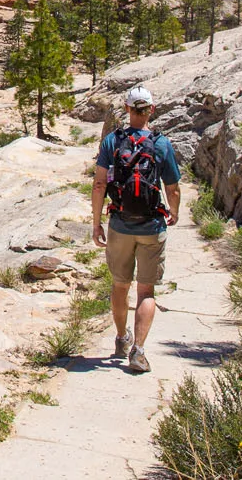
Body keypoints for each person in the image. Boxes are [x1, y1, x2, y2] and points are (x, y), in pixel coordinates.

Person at [90, 84, 182, 374]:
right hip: (151, 224)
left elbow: (99, 184)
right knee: (146, 291)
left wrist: (96, 223)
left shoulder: (112, 142)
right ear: (151, 110)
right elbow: (173, 187)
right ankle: (138, 352)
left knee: (120, 285)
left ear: (128, 110)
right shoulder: (161, 143)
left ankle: (120, 338)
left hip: (119, 223)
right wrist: (174, 213)